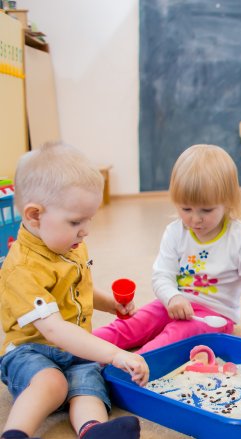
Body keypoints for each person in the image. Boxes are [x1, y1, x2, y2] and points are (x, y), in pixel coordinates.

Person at [0, 143, 148, 439]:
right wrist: (115, 353)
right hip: (32, 350)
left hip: (73, 348)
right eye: (75, 221)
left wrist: (109, 304)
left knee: (89, 384)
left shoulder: (70, 244)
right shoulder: (22, 268)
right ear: (34, 216)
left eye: (89, 219)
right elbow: (53, 330)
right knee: (53, 383)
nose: (86, 230)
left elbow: (76, 290)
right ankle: (15, 433)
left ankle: (93, 430)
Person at [93, 144, 241, 354]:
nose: (195, 219)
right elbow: (162, 275)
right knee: (135, 323)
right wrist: (172, 297)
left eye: (206, 210)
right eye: (186, 209)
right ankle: (78, 347)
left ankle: (132, 366)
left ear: (228, 202)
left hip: (215, 317)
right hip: (172, 303)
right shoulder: (175, 232)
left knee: (172, 337)